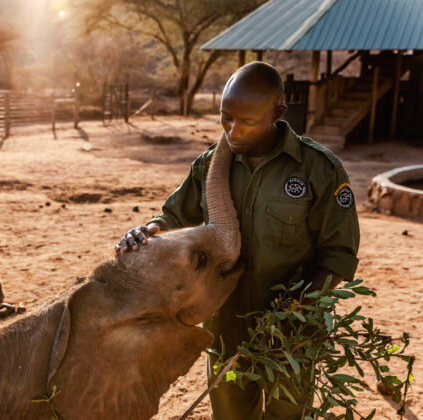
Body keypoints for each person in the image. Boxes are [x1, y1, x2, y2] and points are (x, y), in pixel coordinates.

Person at [115, 62, 360, 420]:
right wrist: (148, 230)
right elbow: (174, 217)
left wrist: (293, 313)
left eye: (247, 121)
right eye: (225, 118)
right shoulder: (210, 167)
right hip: (226, 330)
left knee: (287, 415)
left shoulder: (318, 169)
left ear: (278, 113)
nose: (233, 131)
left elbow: (338, 254)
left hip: (292, 336)